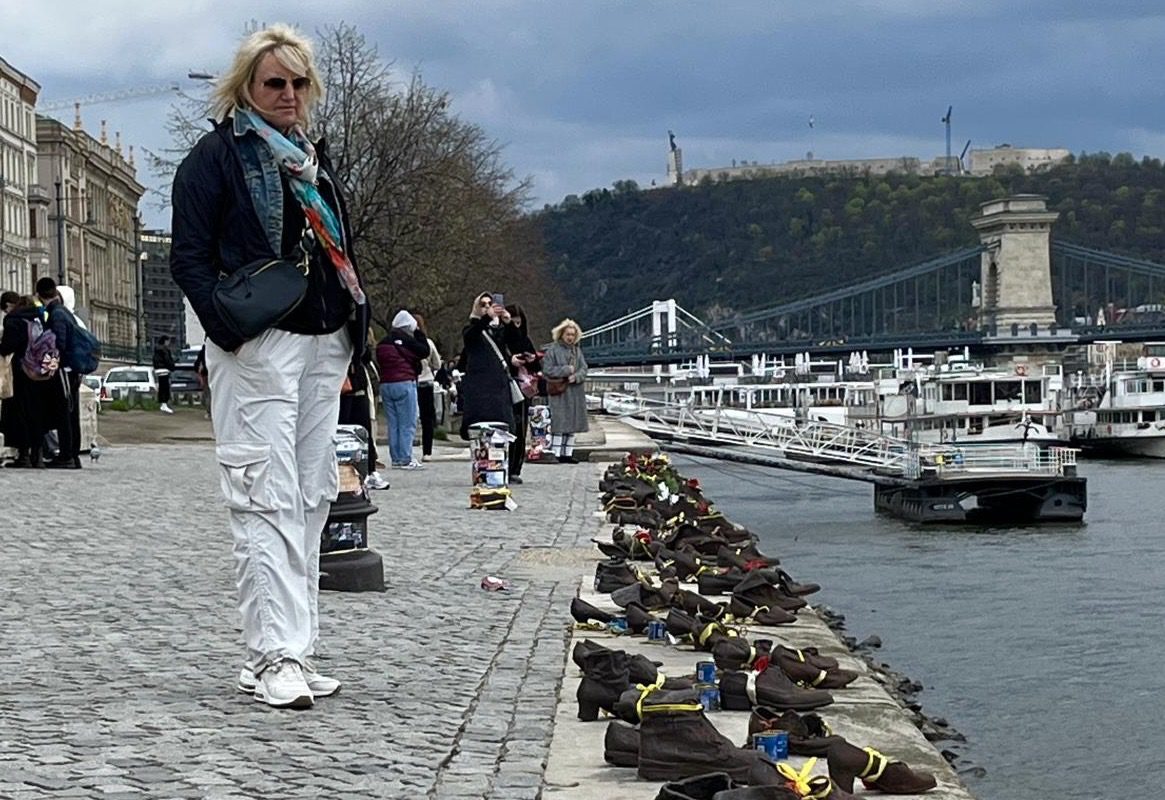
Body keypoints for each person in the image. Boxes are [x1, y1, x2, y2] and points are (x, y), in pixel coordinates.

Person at [170, 24, 370, 709]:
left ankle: (293, 648)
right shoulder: (215, 157)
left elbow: (337, 249)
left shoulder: (311, 160)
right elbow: (188, 257)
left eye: (296, 83)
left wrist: (350, 333)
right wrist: (227, 331)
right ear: (247, 88)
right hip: (259, 343)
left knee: (312, 494)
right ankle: (273, 654)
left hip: (322, 338)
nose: (287, 95)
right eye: (273, 83)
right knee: (263, 494)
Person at [0, 295, 53, 468]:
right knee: (37, 413)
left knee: (19, 413)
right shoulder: (41, 318)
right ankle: (37, 455)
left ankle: (23, 455)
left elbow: (7, 347)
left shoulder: (13, 320)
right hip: (39, 372)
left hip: (20, 372)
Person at [375, 310, 429, 470]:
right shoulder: (408, 341)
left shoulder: (383, 343)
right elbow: (424, 351)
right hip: (405, 382)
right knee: (407, 423)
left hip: (386, 384)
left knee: (394, 424)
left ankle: (396, 457)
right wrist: (419, 332)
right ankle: (405, 458)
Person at [458, 292, 514, 439]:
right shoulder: (470, 329)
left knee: (503, 428)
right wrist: (486, 317)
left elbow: (517, 343)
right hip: (480, 389)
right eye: (483, 305)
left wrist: (509, 323)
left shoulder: (499, 330)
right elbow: (471, 336)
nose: (488, 307)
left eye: (490, 304)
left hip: (499, 387)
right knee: (481, 429)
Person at [43, 282, 85, 469]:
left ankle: (67, 455)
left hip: (65, 370)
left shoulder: (57, 315)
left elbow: (58, 342)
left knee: (64, 414)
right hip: (72, 369)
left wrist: (51, 361)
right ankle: (72, 454)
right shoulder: (68, 315)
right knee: (70, 413)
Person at [542, 318, 589, 463]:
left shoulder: (577, 351)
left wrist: (576, 377)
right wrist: (565, 370)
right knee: (559, 423)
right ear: (561, 334)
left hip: (575, 392)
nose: (570, 337)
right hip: (560, 392)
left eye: (573, 335)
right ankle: (556, 453)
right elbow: (547, 370)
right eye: (568, 334)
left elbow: (584, 369)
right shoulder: (552, 351)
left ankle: (567, 453)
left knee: (572, 424)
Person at [504, 303, 540, 484]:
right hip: (506, 385)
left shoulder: (525, 341)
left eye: (518, 323)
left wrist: (531, 360)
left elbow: (537, 366)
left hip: (522, 389)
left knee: (520, 428)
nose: (515, 327)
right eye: (513, 323)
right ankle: (504, 465)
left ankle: (514, 467)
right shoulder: (502, 339)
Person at [412, 313, 442, 462]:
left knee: (409, 418)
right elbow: (437, 364)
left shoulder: (407, 343)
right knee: (427, 419)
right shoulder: (428, 343)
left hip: (411, 382)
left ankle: (406, 450)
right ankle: (427, 451)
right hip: (426, 382)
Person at [152, 336, 176, 414]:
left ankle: (163, 404)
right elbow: (167, 360)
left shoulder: (157, 350)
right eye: (168, 341)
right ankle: (164, 404)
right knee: (165, 387)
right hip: (164, 369)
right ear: (165, 341)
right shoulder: (164, 350)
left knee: (162, 387)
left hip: (159, 369)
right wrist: (172, 366)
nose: (168, 343)